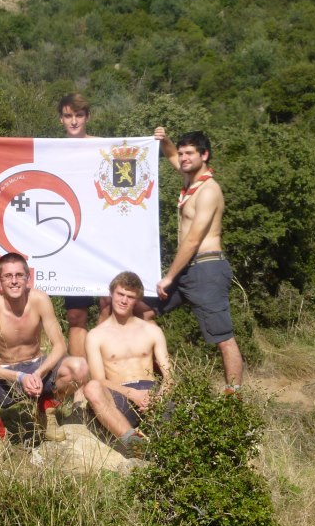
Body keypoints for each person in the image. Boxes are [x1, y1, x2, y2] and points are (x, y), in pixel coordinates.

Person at [57, 93, 155, 359]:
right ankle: (79, 381)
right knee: (76, 316)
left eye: (79, 115)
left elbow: (136, 159)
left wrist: (156, 142)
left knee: (106, 307)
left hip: (104, 243)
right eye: (68, 116)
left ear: (87, 117)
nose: (74, 121)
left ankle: (103, 377)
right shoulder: (52, 150)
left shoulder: (104, 148)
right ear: (61, 119)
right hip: (71, 246)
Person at [0, 252, 89, 454]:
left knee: (80, 367)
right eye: (8, 276)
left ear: (27, 277)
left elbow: (59, 346)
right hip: (5, 375)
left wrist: (38, 373)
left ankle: (46, 409)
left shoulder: (39, 299)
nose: (14, 281)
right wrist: (20, 377)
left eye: (19, 275)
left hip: (37, 366)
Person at [154, 129, 244, 393]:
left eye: (189, 153)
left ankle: (233, 403)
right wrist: (165, 140)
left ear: (204, 155)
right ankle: (160, 381)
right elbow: (170, 154)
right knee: (142, 311)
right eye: (181, 153)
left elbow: (193, 240)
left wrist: (169, 277)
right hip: (186, 270)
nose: (182, 157)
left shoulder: (208, 190)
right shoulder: (189, 178)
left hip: (206, 268)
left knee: (223, 338)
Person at [83, 271, 172, 452]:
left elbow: (169, 375)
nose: (124, 300)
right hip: (119, 395)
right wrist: (132, 394)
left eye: (130, 297)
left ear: (137, 300)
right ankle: (135, 445)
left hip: (152, 393)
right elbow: (99, 380)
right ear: (111, 293)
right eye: (120, 294)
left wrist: (159, 398)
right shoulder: (96, 335)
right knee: (91, 387)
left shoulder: (152, 331)